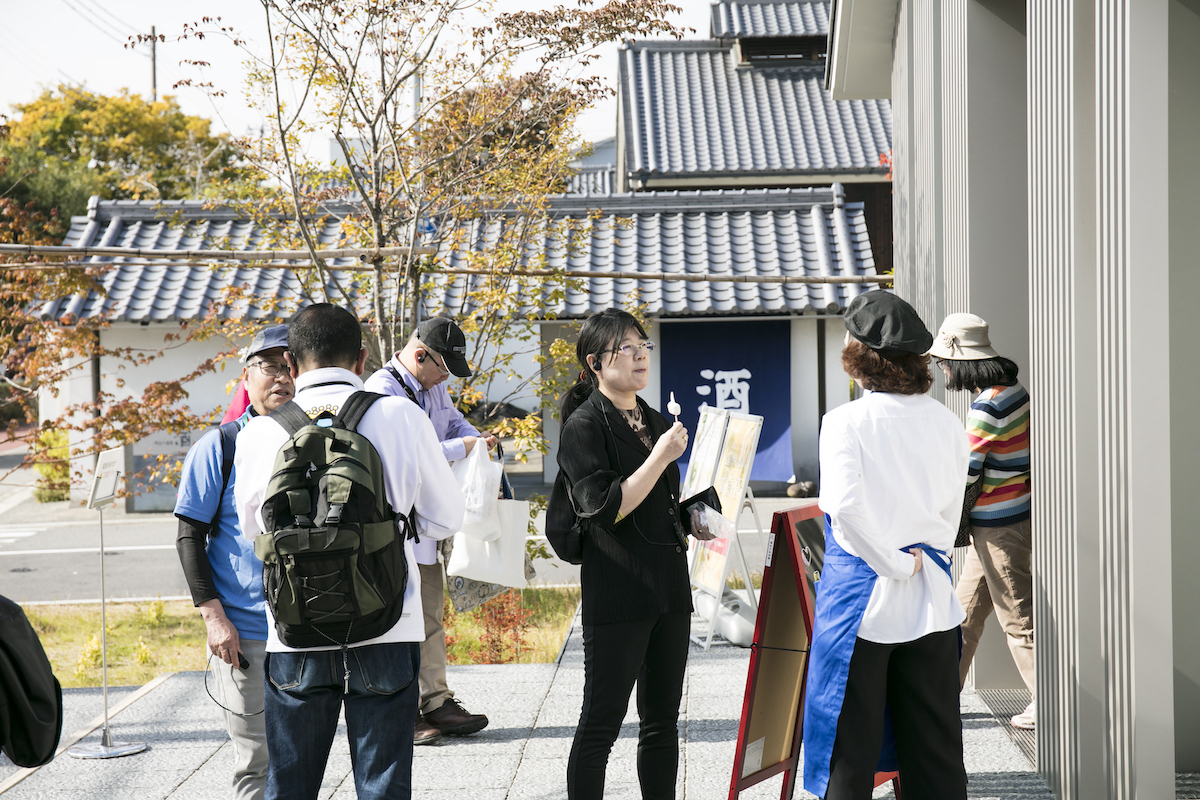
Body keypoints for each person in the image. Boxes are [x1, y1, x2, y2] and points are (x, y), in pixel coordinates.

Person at [233, 304, 463, 800]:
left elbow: (254, 530)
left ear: (290, 364)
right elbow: (446, 518)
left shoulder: (258, 433)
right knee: (383, 785)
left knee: (289, 786)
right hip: (387, 622)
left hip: (295, 629)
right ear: (362, 359)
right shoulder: (402, 416)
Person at [804, 291, 969, 800]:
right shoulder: (948, 423)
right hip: (932, 596)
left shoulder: (844, 422)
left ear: (859, 356)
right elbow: (951, 511)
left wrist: (894, 564)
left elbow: (845, 510)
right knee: (936, 749)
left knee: (848, 750)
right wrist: (919, 559)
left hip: (862, 600)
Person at [552, 308, 692, 800]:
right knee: (601, 722)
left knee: (662, 722)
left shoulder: (655, 420)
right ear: (595, 363)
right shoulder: (584, 427)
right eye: (625, 348)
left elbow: (655, 499)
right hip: (619, 591)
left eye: (642, 346)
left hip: (669, 587)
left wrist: (691, 515)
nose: (639, 356)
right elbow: (606, 508)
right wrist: (660, 456)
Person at [363, 316, 495, 745]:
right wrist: (463, 448)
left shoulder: (432, 385)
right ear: (420, 356)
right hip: (391, 533)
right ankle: (402, 711)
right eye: (443, 368)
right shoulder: (380, 392)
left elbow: (455, 424)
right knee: (397, 623)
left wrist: (477, 440)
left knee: (429, 619)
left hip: (427, 530)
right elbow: (405, 457)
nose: (446, 379)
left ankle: (436, 701)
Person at [174, 324, 292, 800]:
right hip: (245, 634)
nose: (281, 377)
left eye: (290, 366)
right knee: (255, 762)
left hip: (308, 632)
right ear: (246, 377)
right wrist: (214, 618)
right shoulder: (220, 446)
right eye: (269, 366)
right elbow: (189, 536)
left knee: (301, 760)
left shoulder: (317, 442)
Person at [928, 312, 1035, 730]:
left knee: (1017, 617)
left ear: (961, 362)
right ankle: (939, 698)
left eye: (943, 362)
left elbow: (966, 471)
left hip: (997, 526)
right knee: (964, 615)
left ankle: (1048, 700)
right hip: (1003, 519)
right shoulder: (1013, 390)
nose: (942, 369)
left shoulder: (988, 403)